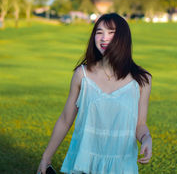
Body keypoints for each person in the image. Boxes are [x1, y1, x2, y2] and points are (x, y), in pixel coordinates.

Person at [37, 13, 152, 174]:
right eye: (99, 32)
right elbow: (65, 120)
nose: (104, 38)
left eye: (111, 33)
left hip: (121, 164)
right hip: (85, 162)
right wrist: (46, 158)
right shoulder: (82, 75)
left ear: (123, 38)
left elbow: (140, 124)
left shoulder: (142, 80)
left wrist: (146, 138)